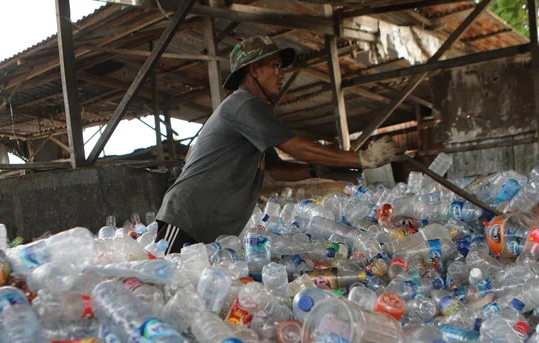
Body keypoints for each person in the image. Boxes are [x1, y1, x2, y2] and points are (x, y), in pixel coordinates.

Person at [155, 35, 402, 251]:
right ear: (253, 70)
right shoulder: (243, 104)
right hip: (187, 216)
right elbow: (294, 146)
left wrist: (317, 170)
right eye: (274, 66)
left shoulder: (255, 115)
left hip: (210, 226)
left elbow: (276, 169)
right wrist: (361, 158)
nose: (281, 72)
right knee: (167, 286)